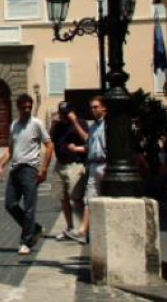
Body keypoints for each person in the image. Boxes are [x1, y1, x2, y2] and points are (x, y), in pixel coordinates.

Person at [0, 94, 54, 256]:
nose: (27, 110)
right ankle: (34, 228)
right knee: (10, 204)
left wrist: (44, 168)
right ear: (18, 107)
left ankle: (26, 241)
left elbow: (49, 146)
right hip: (15, 169)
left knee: (29, 207)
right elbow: (10, 149)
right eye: (24, 107)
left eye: (29, 107)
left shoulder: (36, 124)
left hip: (30, 169)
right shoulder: (14, 125)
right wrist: (1, 165)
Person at [49, 101, 88, 242]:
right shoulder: (59, 124)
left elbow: (86, 138)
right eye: (62, 113)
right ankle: (70, 227)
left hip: (74, 164)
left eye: (66, 113)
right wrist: (53, 124)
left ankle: (83, 230)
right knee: (63, 199)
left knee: (77, 198)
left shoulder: (80, 122)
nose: (64, 116)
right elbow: (49, 139)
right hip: (60, 164)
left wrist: (75, 122)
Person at [71, 95, 106, 242]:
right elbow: (89, 144)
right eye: (91, 107)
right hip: (93, 164)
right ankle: (84, 229)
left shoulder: (109, 124)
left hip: (106, 163)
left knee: (105, 197)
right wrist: (77, 148)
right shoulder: (93, 126)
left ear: (104, 108)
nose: (93, 110)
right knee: (89, 198)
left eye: (95, 107)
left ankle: (89, 229)